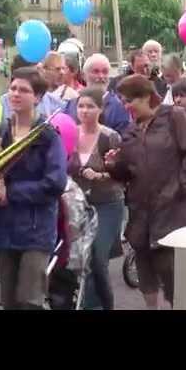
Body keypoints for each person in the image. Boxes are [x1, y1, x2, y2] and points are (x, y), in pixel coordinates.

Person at [106, 74, 186, 310]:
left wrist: (181, 190)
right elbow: (126, 172)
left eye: (130, 101)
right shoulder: (131, 130)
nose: (127, 107)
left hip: (172, 208)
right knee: (145, 265)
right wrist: (113, 165)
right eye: (123, 101)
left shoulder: (174, 117)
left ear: (147, 97)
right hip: (140, 210)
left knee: (170, 269)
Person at [0, 67, 67, 309]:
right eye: (13, 88)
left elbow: (55, 183)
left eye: (24, 90)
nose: (16, 94)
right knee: (9, 301)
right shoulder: (1, 133)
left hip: (36, 230)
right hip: (5, 228)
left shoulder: (47, 136)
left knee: (30, 301)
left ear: (38, 97)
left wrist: (13, 193)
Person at [67, 88, 124, 310]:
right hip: (78, 205)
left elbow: (123, 173)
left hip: (108, 204)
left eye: (90, 106)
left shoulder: (110, 137)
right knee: (83, 259)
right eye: (81, 105)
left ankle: (101, 305)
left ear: (100, 109)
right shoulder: (70, 134)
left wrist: (101, 174)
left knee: (97, 257)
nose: (85, 110)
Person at [64, 54, 130, 135]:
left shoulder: (119, 107)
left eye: (105, 72)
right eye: (96, 71)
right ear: (84, 76)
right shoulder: (71, 105)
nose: (101, 76)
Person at [0, 55, 64, 125]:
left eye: (41, 69)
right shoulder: (3, 102)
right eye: (13, 88)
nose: (16, 94)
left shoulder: (55, 103)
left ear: (37, 98)